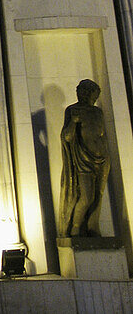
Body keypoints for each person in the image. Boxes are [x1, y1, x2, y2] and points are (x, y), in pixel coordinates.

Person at [58, 78, 111, 238]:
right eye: (86, 92)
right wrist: (73, 123)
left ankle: (92, 227)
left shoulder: (97, 112)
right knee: (86, 197)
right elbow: (66, 137)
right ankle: (74, 229)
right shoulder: (73, 110)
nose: (90, 97)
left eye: (92, 94)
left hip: (101, 158)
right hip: (83, 159)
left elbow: (100, 135)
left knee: (97, 196)